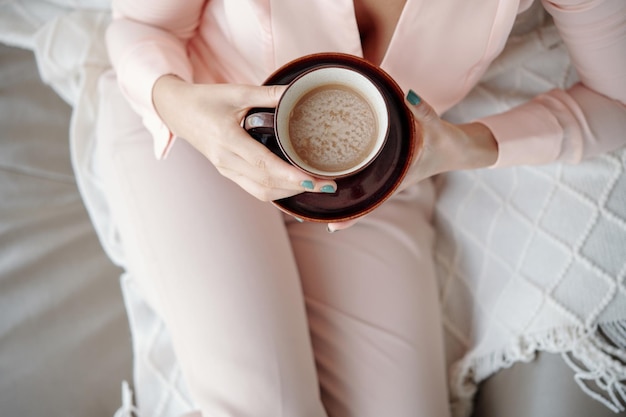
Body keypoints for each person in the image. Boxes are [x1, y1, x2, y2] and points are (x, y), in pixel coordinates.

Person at [97, 0, 626, 416]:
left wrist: (470, 145)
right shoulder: (192, 121)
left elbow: (616, 99)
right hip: (194, 131)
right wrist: (179, 106)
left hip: (373, 186)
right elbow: (142, 29)